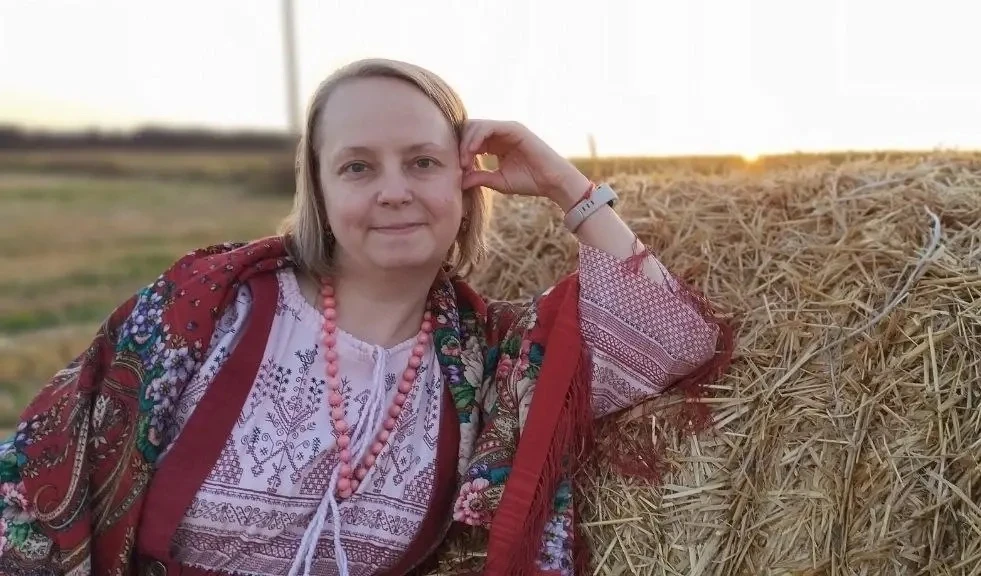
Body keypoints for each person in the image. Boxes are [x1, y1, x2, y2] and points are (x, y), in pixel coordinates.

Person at [0, 58, 733, 576]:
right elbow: (32, 490)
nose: (394, 191)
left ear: (465, 183)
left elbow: (672, 338)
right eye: (357, 166)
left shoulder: (483, 362)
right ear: (318, 192)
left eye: (422, 162)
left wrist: (564, 184)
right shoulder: (211, 307)